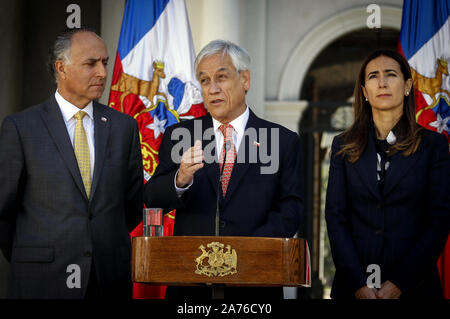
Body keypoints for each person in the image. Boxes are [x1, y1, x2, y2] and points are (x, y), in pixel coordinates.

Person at [144, 40, 304, 299]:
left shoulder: (281, 140)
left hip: (254, 285)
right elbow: (152, 199)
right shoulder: (180, 135)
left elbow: (291, 209)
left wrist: (244, 252)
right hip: (190, 286)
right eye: (205, 81)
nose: (213, 89)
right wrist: (180, 178)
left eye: (221, 77)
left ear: (245, 80)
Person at [0, 28, 143, 299]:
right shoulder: (21, 128)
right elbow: (4, 211)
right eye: (91, 63)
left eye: (104, 62)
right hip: (41, 280)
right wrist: (33, 255)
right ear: (61, 68)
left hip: (108, 278)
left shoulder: (124, 127)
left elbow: (132, 205)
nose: (102, 73)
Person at [325, 49, 450, 299]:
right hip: (353, 289)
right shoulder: (342, 145)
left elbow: (439, 221)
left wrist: (398, 285)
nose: (381, 82)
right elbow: (336, 219)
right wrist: (359, 285)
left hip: (416, 288)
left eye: (390, 74)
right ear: (364, 91)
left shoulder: (433, 146)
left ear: (407, 86)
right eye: (373, 76)